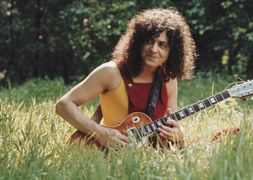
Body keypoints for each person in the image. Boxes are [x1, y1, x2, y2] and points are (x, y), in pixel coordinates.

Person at [55, 8, 196, 150]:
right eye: (149, 41)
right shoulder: (110, 72)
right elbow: (63, 105)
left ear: (172, 51)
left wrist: (179, 133)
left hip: (152, 163)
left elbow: (172, 122)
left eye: (162, 45)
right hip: (108, 156)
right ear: (137, 43)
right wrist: (100, 132)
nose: (154, 49)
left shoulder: (169, 79)